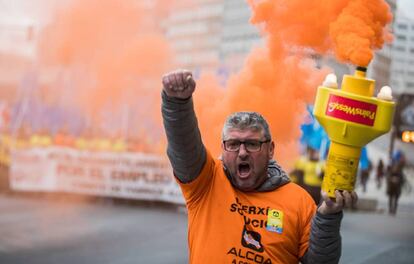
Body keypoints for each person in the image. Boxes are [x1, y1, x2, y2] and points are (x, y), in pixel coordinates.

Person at [161, 69, 358, 264]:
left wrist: (328, 217)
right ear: (223, 147)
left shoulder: (299, 202)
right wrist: (177, 103)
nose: (243, 152)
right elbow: (183, 146)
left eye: (253, 144)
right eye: (233, 144)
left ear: (270, 149)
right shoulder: (206, 182)